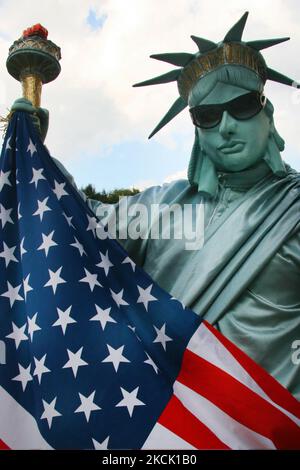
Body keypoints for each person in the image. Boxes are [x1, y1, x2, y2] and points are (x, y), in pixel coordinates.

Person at [11, 12, 300, 400]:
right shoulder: (160, 207)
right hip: (173, 425)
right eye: (208, 116)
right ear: (197, 131)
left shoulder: (295, 208)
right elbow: (77, 223)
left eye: (243, 106)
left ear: (268, 114)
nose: (227, 126)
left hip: (271, 428)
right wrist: (36, 162)